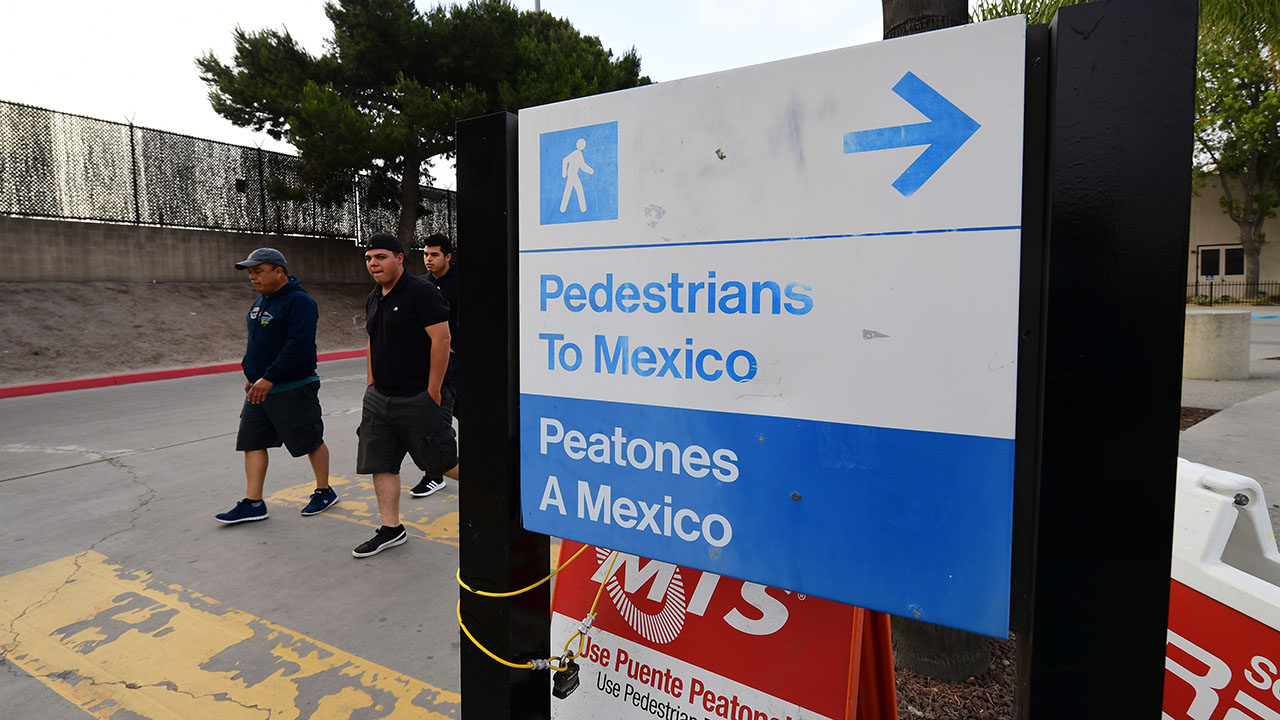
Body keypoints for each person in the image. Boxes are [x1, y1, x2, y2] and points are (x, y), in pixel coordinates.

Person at [353, 233, 456, 557]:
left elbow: (442, 339)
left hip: (417, 397)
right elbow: (372, 339)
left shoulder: (421, 292)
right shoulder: (374, 296)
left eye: (380, 257)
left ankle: (499, 495)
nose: (373, 263)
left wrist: (433, 390)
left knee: (444, 462)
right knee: (381, 463)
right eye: (369, 258)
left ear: (399, 258)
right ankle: (391, 528)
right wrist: (370, 383)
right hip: (379, 399)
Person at [217, 247, 336, 524]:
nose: (252, 277)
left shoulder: (300, 302)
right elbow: (257, 343)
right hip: (260, 389)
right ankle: (253, 502)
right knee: (252, 441)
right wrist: (252, 374)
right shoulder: (261, 301)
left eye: (258, 271)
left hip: (293, 386)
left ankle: (324, 491)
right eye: (250, 272)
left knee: (310, 440)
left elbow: (298, 345)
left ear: (279, 271)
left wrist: (269, 377)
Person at [412, 233, 460, 497]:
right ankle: (434, 475)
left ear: (448, 256)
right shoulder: (421, 285)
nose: (428, 259)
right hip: (433, 364)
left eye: (434, 255)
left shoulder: (462, 283)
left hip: (459, 363)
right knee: (434, 420)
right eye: (425, 254)